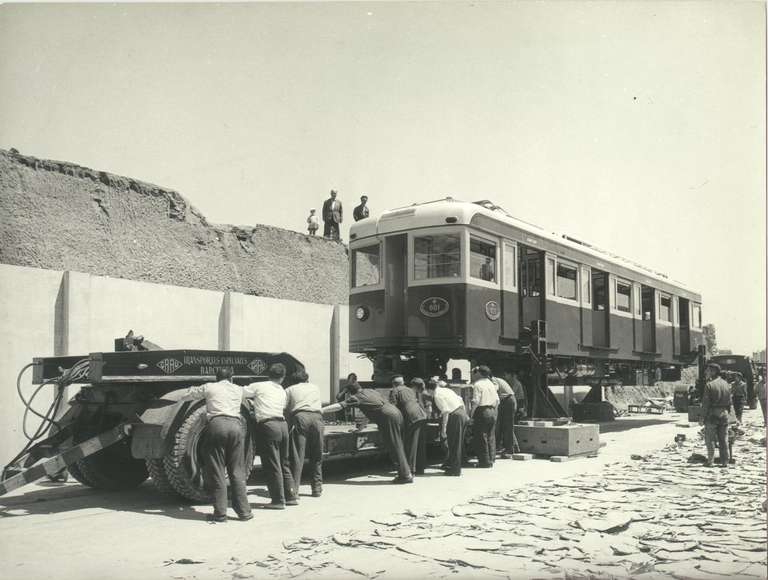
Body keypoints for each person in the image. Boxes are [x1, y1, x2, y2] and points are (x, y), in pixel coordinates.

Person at [182, 368, 253, 523]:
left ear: (217, 377)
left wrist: (185, 392)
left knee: (217, 469)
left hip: (217, 425)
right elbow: (251, 394)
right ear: (231, 378)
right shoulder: (238, 389)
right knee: (237, 470)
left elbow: (189, 394)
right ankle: (244, 512)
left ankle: (220, 514)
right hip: (236, 427)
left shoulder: (210, 387)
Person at [323, 382, 413, 483]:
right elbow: (370, 413)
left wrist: (321, 410)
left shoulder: (356, 397)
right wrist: (360, 428)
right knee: (398, 444)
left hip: (387, 417)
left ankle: (405, 476)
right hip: (396, 413)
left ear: (349, 393)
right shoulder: (370, 391)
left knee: (394, 445)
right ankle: (406, 472)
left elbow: (339, 406)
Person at [246, 363, 298, 508]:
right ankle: (291, 496)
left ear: (268, 374)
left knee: (272, 464)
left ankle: (278, 501)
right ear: (282, 378)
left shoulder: (259, 386)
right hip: (282, 425)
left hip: (269, 426)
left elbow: (241, 393)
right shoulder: (282, 390)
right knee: (284, 463)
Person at [284, 370, 324, 498]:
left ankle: (294, 491)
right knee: (316, 454)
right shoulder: (315, 387)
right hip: (317, 417)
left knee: (297, 456)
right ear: (307, 379)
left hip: (300, 417)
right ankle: (316, 488)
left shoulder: (289, 389)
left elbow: (286, 408)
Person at [422, 378, 468, 476]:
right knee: (458, 443)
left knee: (453, 444)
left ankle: (455, 470)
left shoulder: (437, 396)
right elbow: (461, 399)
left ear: (428, 389)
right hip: (461, 412)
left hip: (454, 416)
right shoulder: (446, 390)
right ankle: (454, 466)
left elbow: (446, 411)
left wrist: (444, 429)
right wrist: (465, 414)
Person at [389, 376, 428, 476]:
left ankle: (411, 470)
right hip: (422, 416)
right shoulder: (409, 390)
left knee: (410, 445)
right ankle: (420, 468)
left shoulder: (394, 391)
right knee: (419, 444)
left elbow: (393, 408)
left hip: (412, 419)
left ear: (393, 384)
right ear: (402, 383)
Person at [699, 363, 732, 468]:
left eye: (708, 371)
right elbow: (730, 402)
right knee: (724, 439)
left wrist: (702, 417)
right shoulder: (726, 384)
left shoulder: (709, 385)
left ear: (713, 372)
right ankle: (725, 461)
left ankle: (710, 461)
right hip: (724, 414)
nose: (706, 372)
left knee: (710, 439)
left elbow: (706, 403)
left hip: (712, 414)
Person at [470, 365, 499, 468]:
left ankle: (484, 462)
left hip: (482, 411)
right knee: (491, 436)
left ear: (479, 373)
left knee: (481, 437)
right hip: (492, 410)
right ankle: (491, 458)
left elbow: (476, 402)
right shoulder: (491, 384)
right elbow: (497, 400)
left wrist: (471, 415)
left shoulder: (477, 384)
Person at [492, 372, 518, 459]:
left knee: (507, 426)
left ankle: (509, 450)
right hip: (506, 401)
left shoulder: (493, 380)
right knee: (502, 426)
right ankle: (506, 448)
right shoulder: (496, 379)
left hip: (507, 401)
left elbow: (494, 391)